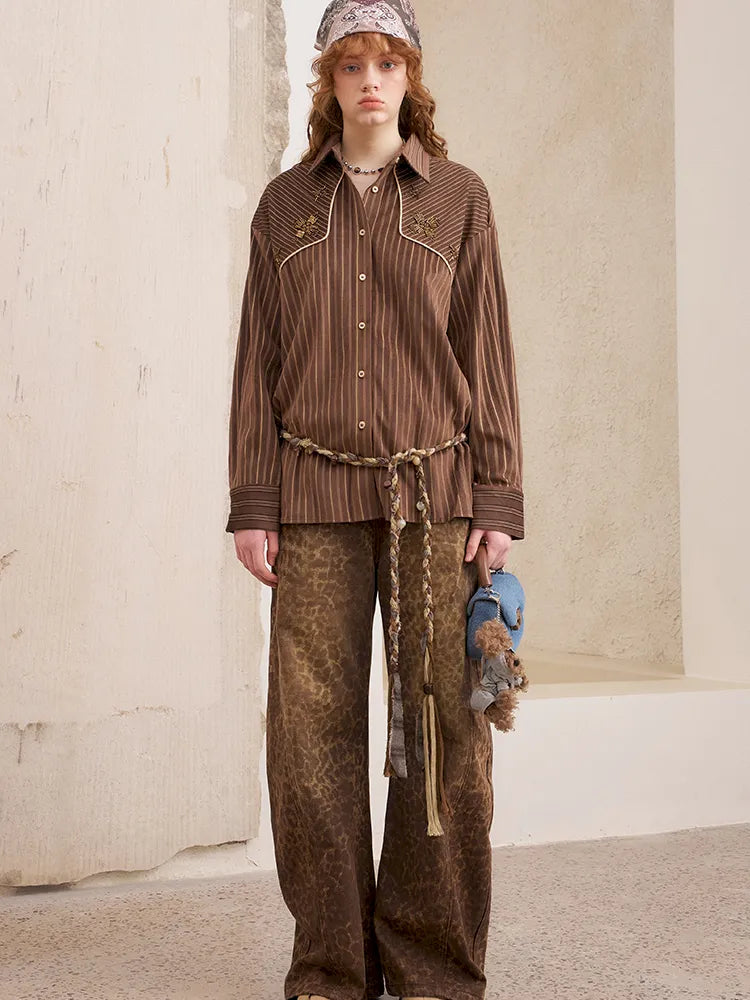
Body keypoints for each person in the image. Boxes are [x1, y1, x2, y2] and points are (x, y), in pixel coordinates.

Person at [225, 2, 525, 998]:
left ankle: (432, 968)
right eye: (351, 63)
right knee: (309, 739)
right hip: (309, 501)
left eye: (386, 64)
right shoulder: (283, 208)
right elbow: (257, 361)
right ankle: (330, 967)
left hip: (436, 500)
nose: (369, 81)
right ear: (328, 78)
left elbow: (487, 351)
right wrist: (254, 500)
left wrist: (497, 498)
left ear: (409, 78)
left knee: (446, 735)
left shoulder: (460, 200)